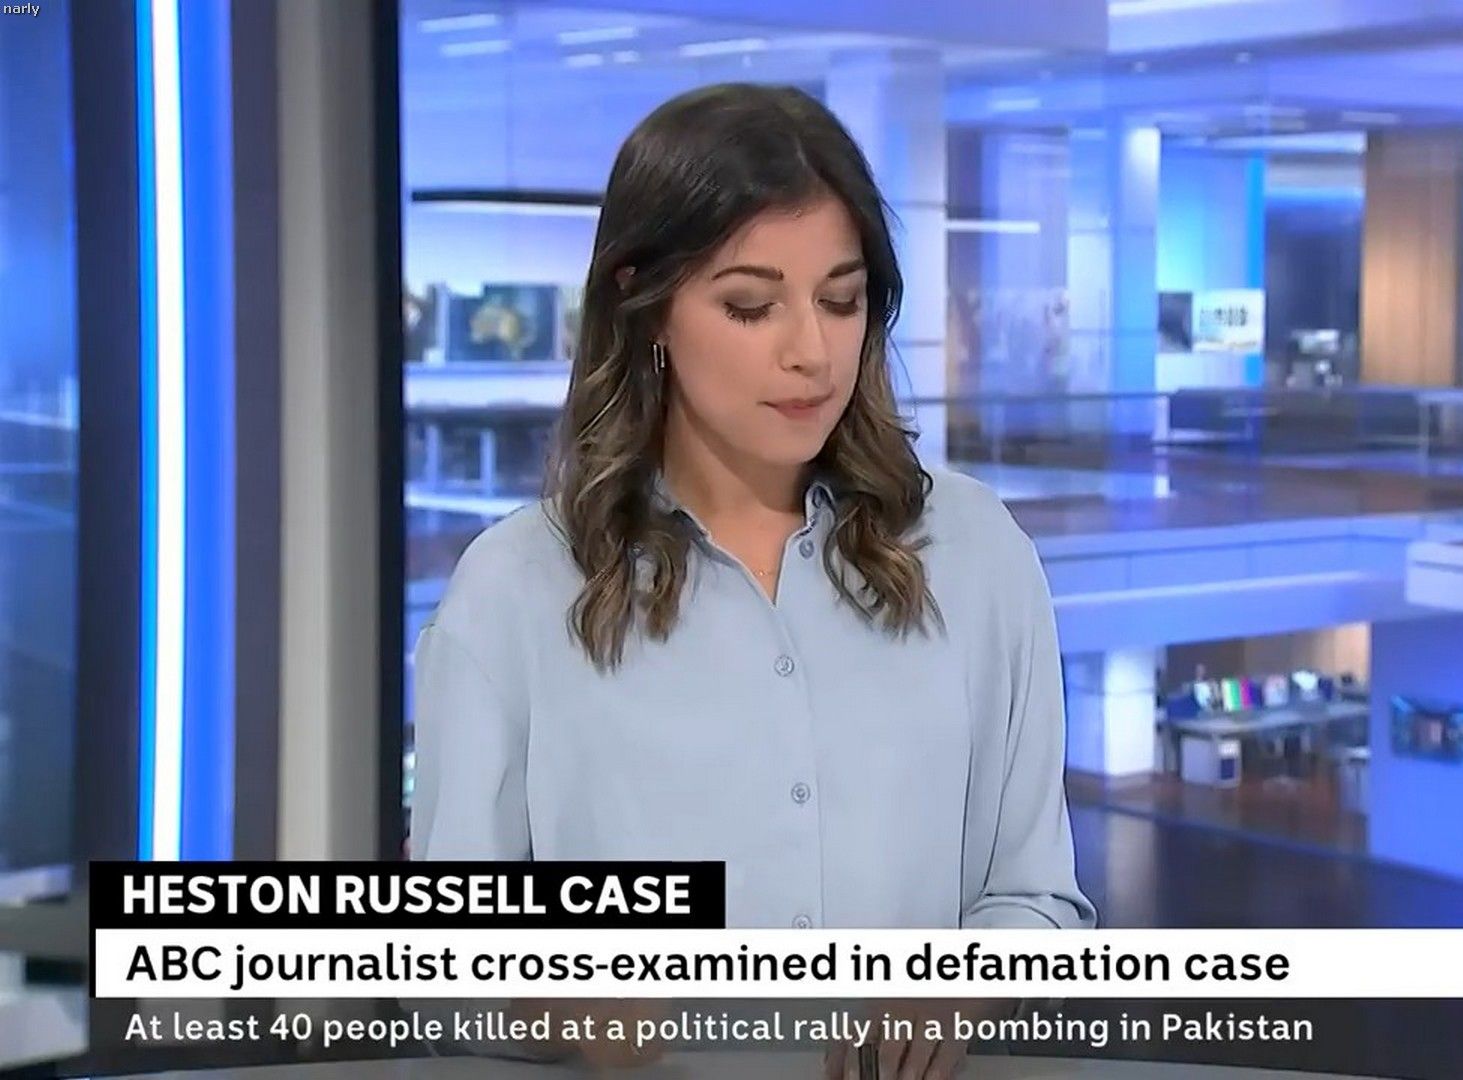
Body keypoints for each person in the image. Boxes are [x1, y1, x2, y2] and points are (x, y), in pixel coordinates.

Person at [407, 83, 1095, 1078]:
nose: (810, 352)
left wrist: (964, 982)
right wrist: (556, 1003)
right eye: (750, 306)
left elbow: (1039, 902)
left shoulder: (978, 554)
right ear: (646, 305)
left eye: (841, 300)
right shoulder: (514, 591)